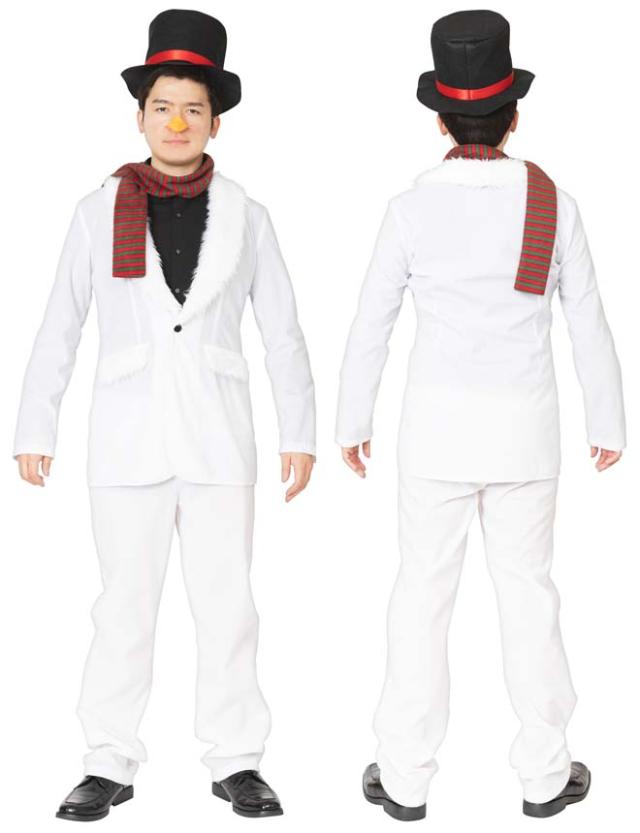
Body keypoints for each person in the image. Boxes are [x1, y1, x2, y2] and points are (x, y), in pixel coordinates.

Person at [13, 9, 316, 821]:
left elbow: (282, 330)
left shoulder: (249, 214)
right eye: (162, 108)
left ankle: (238, 759)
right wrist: (35, 426)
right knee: (122, 605)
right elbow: (60, 323)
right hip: (126, 437)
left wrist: (299, 432)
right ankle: (107, 760)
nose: (177, 123)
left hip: (220, 437)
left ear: (216, 121)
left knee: (229, 604)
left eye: (193, 109)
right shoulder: (96, 209)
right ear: (139, 116)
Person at [335, 8, 625, 822]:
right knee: (529, 594)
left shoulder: (409, 207)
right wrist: (608, 421)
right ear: (515, 114)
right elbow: (588, 320)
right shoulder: (553, 201)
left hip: (433, 435)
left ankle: (404, 777)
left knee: (420, 595)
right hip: (527, 432)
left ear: (438, 118)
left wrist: (352, 419)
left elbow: (371, 321)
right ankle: (545, 773)